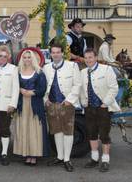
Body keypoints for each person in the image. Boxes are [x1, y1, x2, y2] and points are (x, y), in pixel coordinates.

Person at [80, 49, 120, 172]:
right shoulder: (82, 72)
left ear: (96, 57)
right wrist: (83, 103)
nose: (88, 60)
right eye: (86, 58)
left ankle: (105, 161)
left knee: (104, 135)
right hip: (89, 108)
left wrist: (105, 103)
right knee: (91, 134)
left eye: (90, 57)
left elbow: (114, 88)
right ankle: (94, 158)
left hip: (103, 108)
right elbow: (80, 89)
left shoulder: (106, 69)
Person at [43, 43, 81, 172]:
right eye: (53, 52)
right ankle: (59, 157)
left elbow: (77, 84)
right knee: (56, 131)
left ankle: (67, 159)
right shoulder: (46, 68)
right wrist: (45, 99)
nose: (55, 54)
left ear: (62, 53)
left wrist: (70, 100)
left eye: (58, 52)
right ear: (50, 54)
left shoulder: (72, 66)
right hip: (51, 104)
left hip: (66, 103)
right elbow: (44, 86)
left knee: (67, 131)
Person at [13, 50, 49, 166]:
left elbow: (42, 89)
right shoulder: (18, 72)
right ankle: (26, 153)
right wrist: (20, 90)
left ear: (32, 58)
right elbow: (13, 86)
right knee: (24, 128)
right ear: (22, 59)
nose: (27, 59)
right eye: (25, 57)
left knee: (34, 129)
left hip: (35, 104)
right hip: (22, 104)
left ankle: (34, 154)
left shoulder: (39, 72)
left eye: (29, 57)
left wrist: (32, 93)